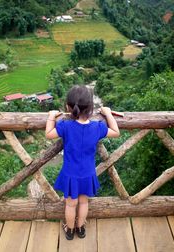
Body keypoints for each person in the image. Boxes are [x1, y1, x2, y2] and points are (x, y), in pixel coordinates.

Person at [45, 85, 120, 240]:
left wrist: (52, 116)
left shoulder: (65, 125)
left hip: (70, 173)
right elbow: (116, 132)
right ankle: (81, 228)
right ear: (91, 108)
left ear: (68, 107)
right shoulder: (97, 126)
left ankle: (70, 230)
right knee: (84, 203)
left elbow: (49, 134)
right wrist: (107, 113)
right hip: (87, 173)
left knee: (70, 204)